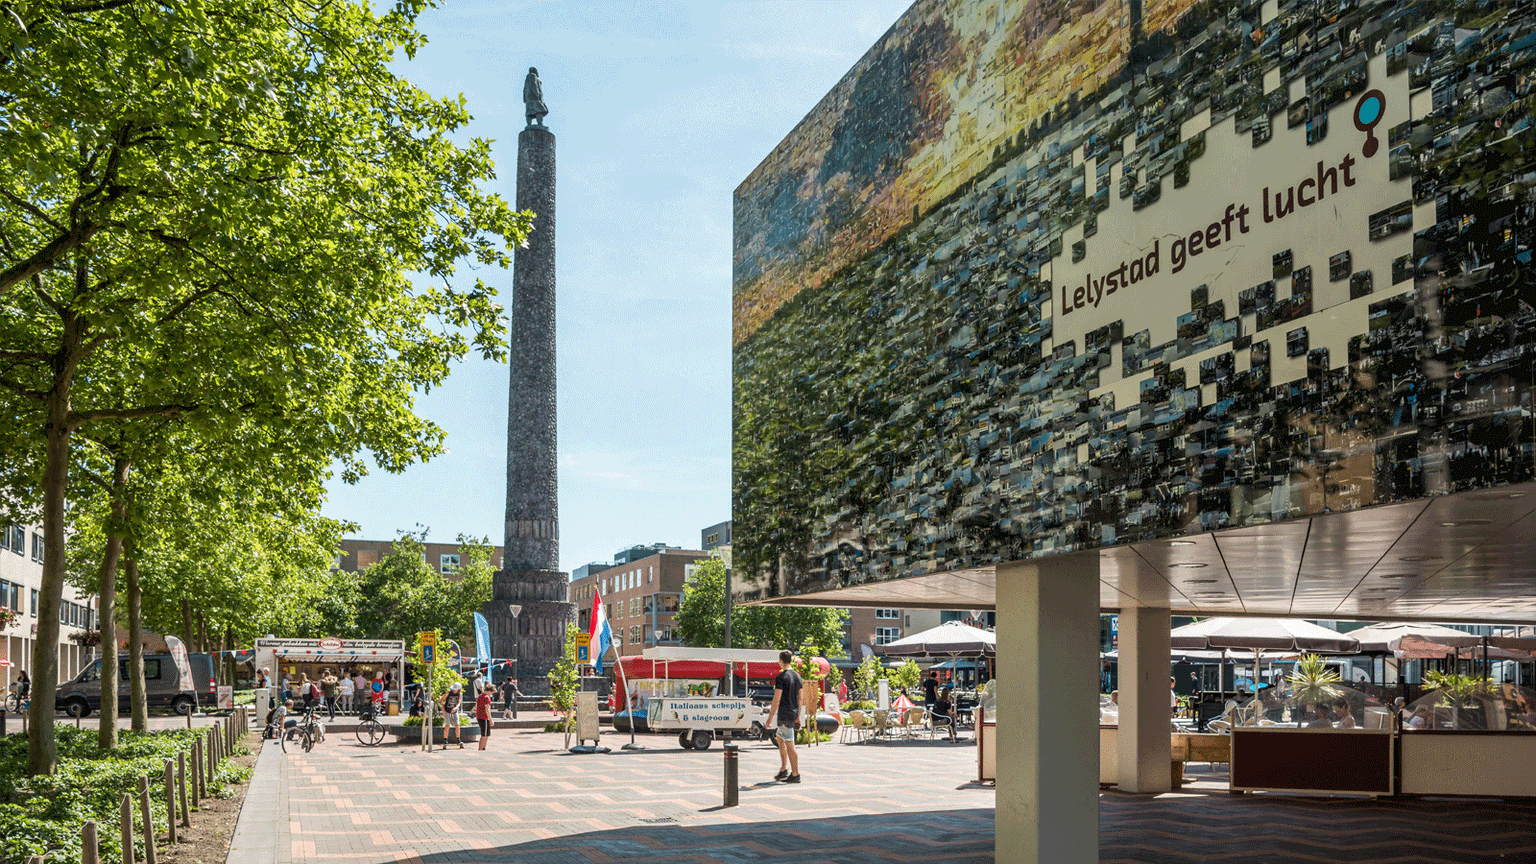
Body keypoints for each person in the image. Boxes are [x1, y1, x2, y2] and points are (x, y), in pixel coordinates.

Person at [767, 650, 802, 783]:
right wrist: (798, 716)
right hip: (793, 713)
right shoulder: (797, 677)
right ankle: (783, 769)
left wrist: (770, 718)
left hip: (784, 713)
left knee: (789, 743)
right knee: (780, 737)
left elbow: (777, 698)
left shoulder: (781, 677)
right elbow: (800, 698)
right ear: (791, 660)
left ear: (780, 661)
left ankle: (795, 774)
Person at [441, 682, 464, 749]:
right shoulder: (448, 693)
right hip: (447, 711)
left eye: (455, 689)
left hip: (454, 711)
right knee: (447, 725)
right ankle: (445, 740)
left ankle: (458, 739)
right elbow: (441, 700)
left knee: (457, 725)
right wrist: (443, 709)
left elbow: (459, 703)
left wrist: (456, 708)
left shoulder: (459, 694)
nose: (454, 690)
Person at [474, 685, 494, 751]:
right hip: (484, 717)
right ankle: (481, 748)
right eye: (492, 692)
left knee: (486, 734)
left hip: (479, 716)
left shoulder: (480, 696)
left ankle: (483, 747)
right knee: (484, 735)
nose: (491, 694)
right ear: (489, 691)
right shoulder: (486, 697)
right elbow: (487, 709)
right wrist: (491, 719)